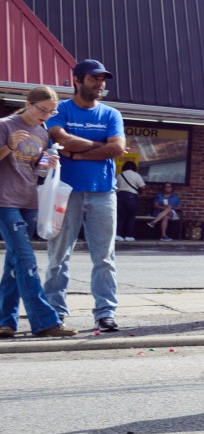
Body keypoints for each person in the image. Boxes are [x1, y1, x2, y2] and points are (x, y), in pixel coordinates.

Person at [44, 59, 127, 332]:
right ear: (77, 80)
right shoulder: (61, 110)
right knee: (58, 255)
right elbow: (60, 137)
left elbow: (118, 149)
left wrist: (78, 153)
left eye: (102, 79)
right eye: (94, 78)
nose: (100, 84)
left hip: (103, 192)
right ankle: (55, 313)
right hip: (65, 192)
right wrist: (101, 145)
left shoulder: (111, 114)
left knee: (104, 257)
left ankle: (105, 313)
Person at [0, 86, 76, 338]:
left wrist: (47, 164)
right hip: (5, 201)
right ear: (28, 103)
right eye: (42, 109)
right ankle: (44, 321)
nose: (46, 115)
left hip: (30, 201)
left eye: (51, 111)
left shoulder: (42, 133)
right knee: (26, 260)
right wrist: (9, 146)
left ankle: (6, 322)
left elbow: (35, 172)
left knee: (14, 263)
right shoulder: (5, 125)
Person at [114, 158, 145, 242]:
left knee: (121, 217)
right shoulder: (136, 175)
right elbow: (142, 187)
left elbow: (115, 188)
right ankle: (128, 236)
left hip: (120, 196)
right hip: (132, 197)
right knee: (131, 217)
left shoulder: (119, 175)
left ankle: (118, 235)